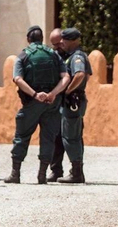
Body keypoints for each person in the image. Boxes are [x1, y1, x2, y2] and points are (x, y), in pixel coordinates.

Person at [8, 25, 68, 184]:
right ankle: (42, 175)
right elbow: (65, 78)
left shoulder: (23, 56)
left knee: (22, 136)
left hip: (32, 103)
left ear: (28, 39)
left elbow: (18, 79)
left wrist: (35, 95)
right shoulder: (54, 55)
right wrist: (52, 94)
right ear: (42, 39)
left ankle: (16, 174)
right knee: (48, 137)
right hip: (51, 103)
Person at [58, 27, 91, 184]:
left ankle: (76, 173)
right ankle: (77, 170)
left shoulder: (77, 57)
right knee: (74, 136)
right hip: (76, 100)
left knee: (70, 136)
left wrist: (69, 91)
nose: (61, 42)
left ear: (72, 40)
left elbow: (80, 74)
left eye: (64, 39)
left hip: (73, 101)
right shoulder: (75, 56)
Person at [46, 28, 67, 181]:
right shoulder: (54, 57)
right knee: (56, 136)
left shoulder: (74, 55)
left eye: (59, 43)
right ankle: (56, 169)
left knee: (72, 137)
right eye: (54, 45)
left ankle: (77, 170)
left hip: (70, 101)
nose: (57, 47)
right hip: (56, 102)